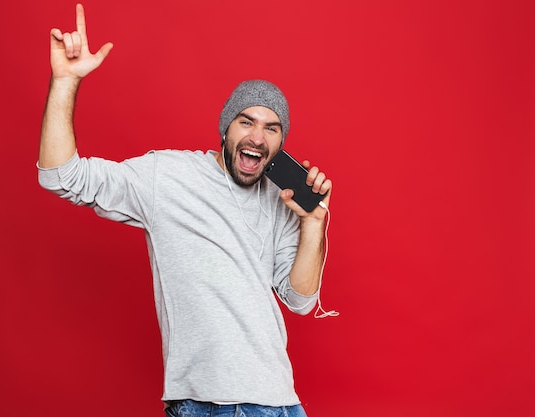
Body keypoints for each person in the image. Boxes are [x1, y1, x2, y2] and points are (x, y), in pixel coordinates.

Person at [38, 4, 333, 417]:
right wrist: (65, 82)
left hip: (277, 401)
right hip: (202, 402)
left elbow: (300, 301)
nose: (257, 137)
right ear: (225, 128)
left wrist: (313, 224)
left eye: (271, 128)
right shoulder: (167, 175)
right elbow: (61, 176)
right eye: (246, 122)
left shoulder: (280, 198)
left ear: (280, 143)